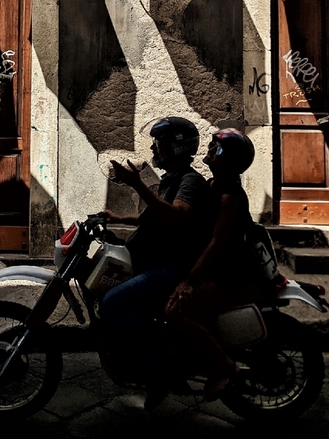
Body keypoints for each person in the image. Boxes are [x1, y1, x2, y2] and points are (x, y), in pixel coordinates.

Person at [99, 116, 210, 406]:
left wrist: (138, 185)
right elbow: (155, 216)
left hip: (173, 267)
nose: (154, 148)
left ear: (175, 148)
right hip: (158, 262)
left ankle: (157, 372)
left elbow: (176, 215)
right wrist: (118, 218)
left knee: (113, 302)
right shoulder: (171, 181)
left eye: (159, 143)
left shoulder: (190, 181)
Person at [165, 128, 276, 401]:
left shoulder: (230, 195)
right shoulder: (213, 186)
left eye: (217, 148)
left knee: (175, 310)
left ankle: (223, 367)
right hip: (216, 268)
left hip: (231, 273)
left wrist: (189, 281)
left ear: (231, 159)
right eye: (212, 146)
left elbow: (216, 242)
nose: (210, 151)